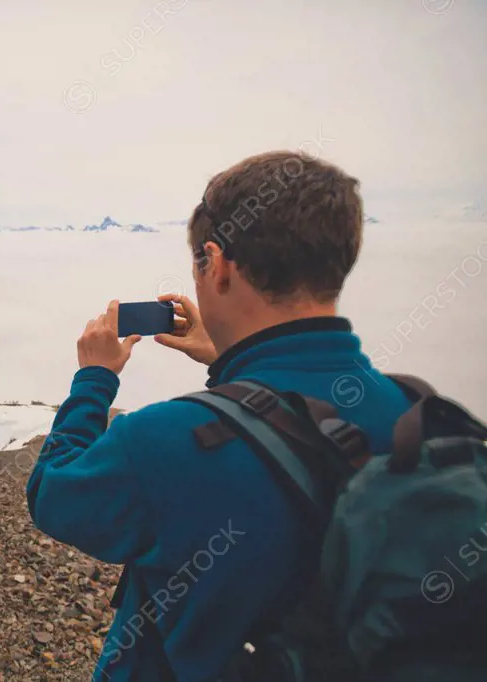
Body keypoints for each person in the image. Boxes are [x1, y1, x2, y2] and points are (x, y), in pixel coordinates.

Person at [26, 151, 413, 681]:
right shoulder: (420, 415)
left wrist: (94, 379)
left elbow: (53, 494)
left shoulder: (160, 443)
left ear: (219, 264)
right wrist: (231, 363)